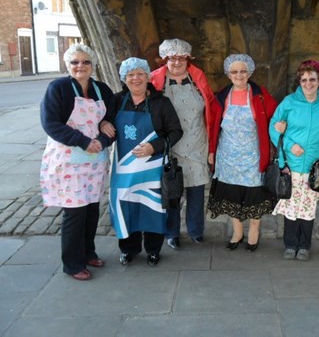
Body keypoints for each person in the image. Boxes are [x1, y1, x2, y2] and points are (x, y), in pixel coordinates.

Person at [40, 43, 115, 281]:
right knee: (75, 212)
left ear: (93, 65)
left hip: (95, 160)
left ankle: (88, 252)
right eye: (75, 62)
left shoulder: (101, 89)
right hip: (69, 159)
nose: (80, 66)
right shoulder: (58, 88)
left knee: (92, 208)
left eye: (85, 62)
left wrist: (102, 137)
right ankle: (72, 264)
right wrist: (83, 141)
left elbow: (111, 119)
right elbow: (51, 123)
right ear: (67, 65)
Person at [108, 58, 182, 267]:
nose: (136, 78)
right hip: (124, 170)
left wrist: (155, 146)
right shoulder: (116, 101)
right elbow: (103, 122)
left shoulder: (161, 103)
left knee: (153, 209)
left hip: (153, 169)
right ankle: (128, 250)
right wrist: (105, 122)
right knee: (125, 207)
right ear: (124, 79)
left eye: (140, 73)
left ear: (148, 76)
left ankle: (153, 250)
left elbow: (176, 131)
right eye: (131, 75)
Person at [207, 54, 277, 252]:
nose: (239, 75)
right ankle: (237, 232)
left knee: (254, 194)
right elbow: (213, 127)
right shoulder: (221, 97)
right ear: (228, 74)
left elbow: (276, 115)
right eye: (234, 71)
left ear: (250, 72)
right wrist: (212, 150)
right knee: (232, 195)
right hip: (227, 155)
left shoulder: (260, 94)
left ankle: (254, 232)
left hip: (253, 154)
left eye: (243, 71)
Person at [151, 39, 216, 248]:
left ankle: (196, 230)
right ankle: (172, 232)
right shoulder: (156, 81)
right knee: (172, 191)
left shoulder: (197, 77)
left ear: (188, 60)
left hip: (197, 142)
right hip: (171, 145)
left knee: (196, 191)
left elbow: (211, 105)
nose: (177, 62)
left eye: (181, 58)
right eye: (172, 58)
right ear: (165, 59)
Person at [269, 60, 319, 261]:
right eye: (304, 79)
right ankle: (290, 244)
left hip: (316, 164)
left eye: (312, 79)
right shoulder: (289, 102)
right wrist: (289, 144)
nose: (308, 83)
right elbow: (274, 127)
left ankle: (304, 245)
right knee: (291, 204)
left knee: (308, 205)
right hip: (292, 163)